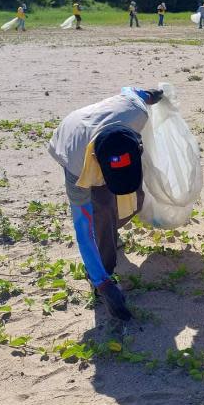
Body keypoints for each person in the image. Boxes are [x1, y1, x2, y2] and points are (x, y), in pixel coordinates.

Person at [48, 87, 165, 321]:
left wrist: (153, 94)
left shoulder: (137, 112)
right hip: (75, 139)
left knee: (135, 199)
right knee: (101, 211)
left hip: (106, 138)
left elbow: (132, 92)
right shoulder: (76, 168)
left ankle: (111, 232)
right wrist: (103, 284)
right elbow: (83, 231)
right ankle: (103, 270)